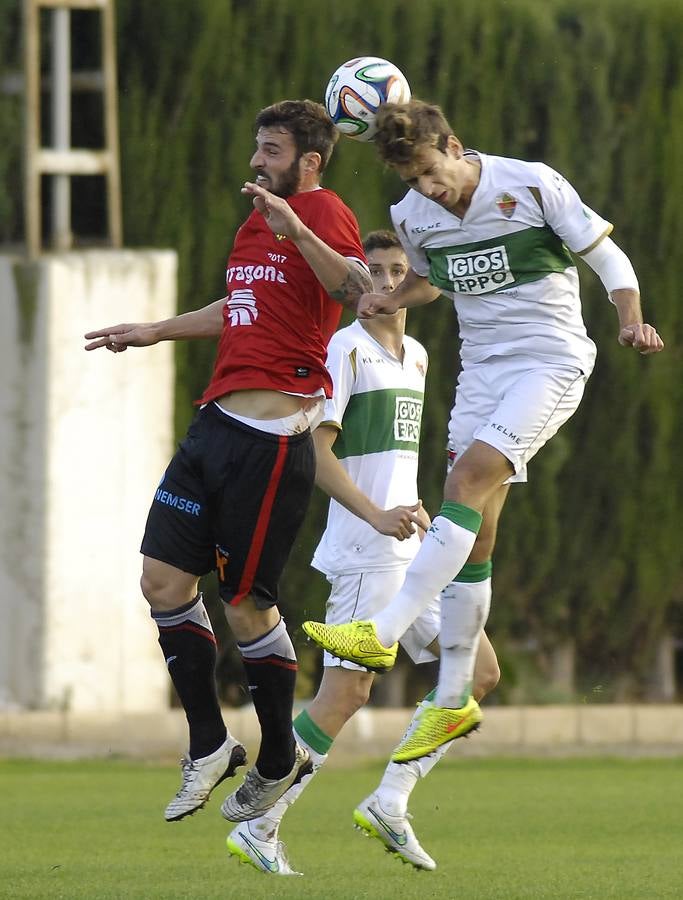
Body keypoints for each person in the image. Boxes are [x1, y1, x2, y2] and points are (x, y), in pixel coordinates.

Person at [303, 99, 664, 761]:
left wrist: (628, 319)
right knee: (475, 528)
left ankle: (382, 630)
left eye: (431, 173)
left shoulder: (529, 184)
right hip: (481, 372)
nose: (427, 189)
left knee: (465, 480)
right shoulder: (411, 216)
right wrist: (392, 296)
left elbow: (608, 261)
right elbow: (430, 284)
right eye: (412, 181)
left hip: (548, 360)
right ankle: (437, 724)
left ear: (453, 144)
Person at [84, 99, 373, 825]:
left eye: (270, 150)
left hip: (270, 445)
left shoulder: (322, 211)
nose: (255, 162)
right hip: (214, 426)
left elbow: (354, 290)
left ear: (308, 160)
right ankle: (210, 744)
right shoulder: (257, 220)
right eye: (257, 147)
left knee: (247, 605)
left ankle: (278, 757)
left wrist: (298, 227)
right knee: (161, 580)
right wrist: (153, 330)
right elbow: (242, 304)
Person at [225, 230, 500, 875]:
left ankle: (391, 800)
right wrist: (377, 514)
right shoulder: (343, 349)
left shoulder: (420, 356)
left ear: (413, 284)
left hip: (411, 546)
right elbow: (314, 452)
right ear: (355, 282)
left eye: (396, 271)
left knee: (478, 672)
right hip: (361, 547)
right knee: (346, 693)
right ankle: (260, 821)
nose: (382, 282)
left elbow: (395, 459)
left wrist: (415, 508)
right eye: (370, 271)